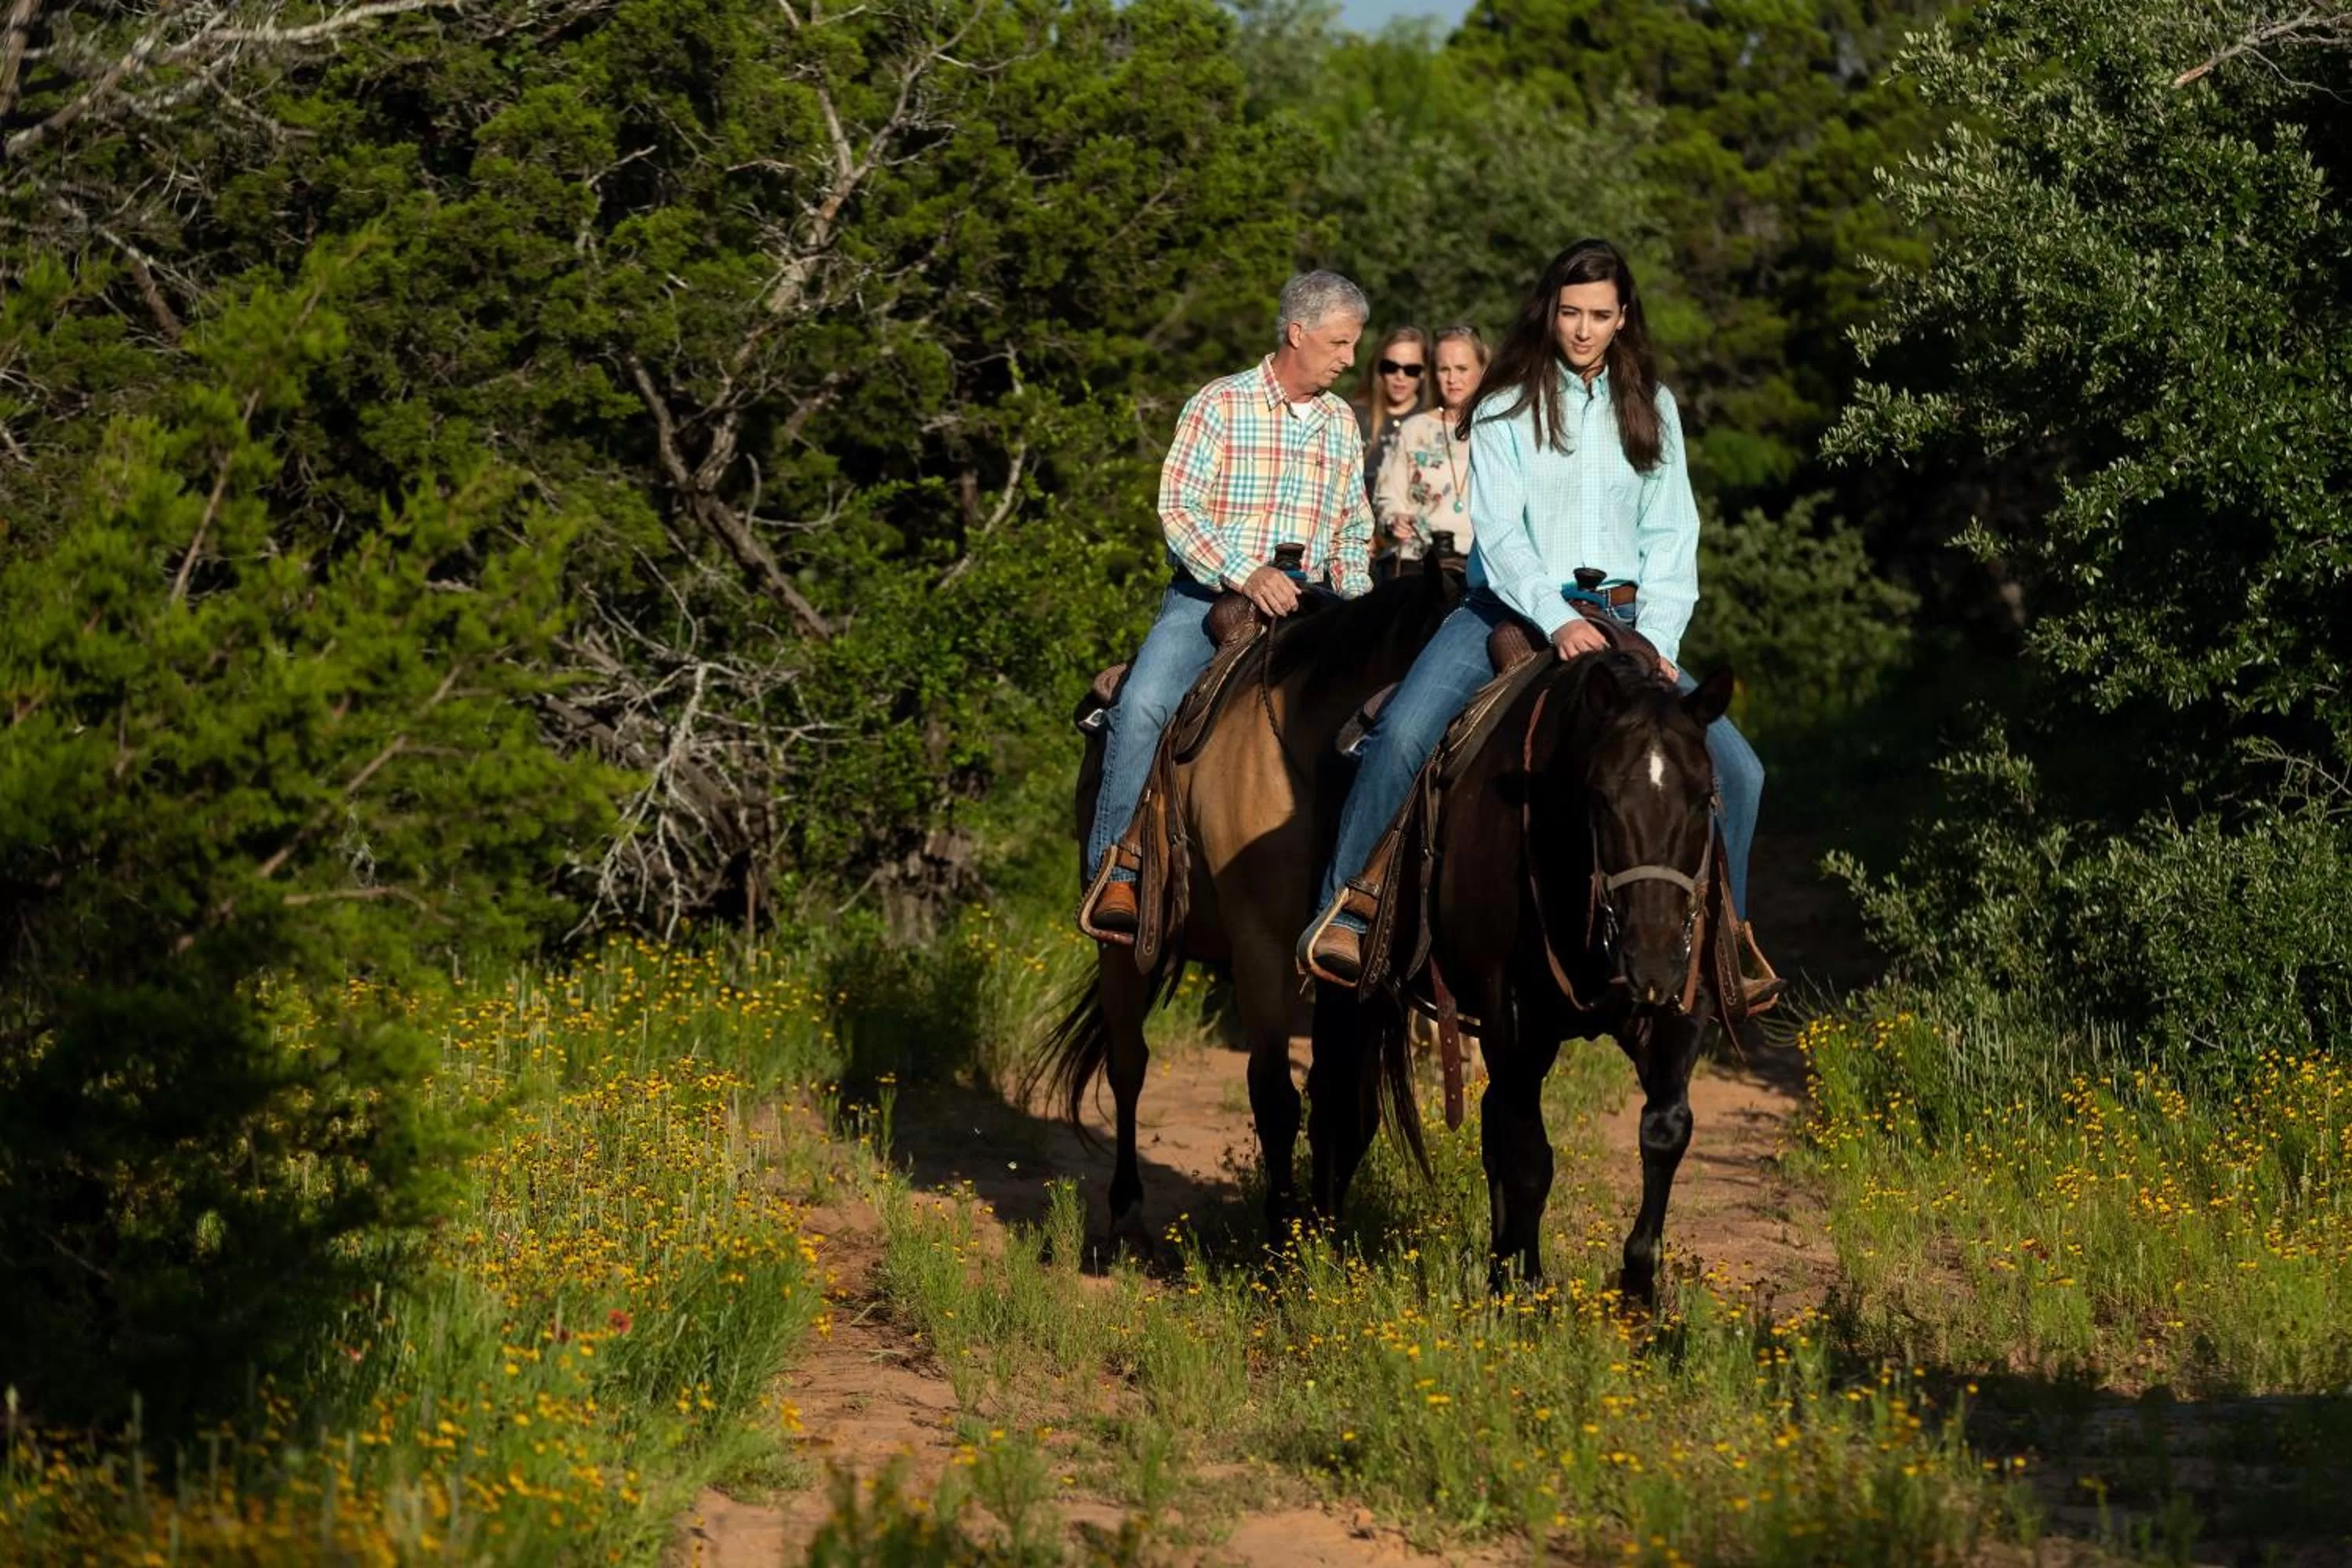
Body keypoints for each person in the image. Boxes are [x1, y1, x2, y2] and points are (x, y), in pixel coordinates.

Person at [1301, 240, 1771, 1000]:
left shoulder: (1653, 406)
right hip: (1508, 608)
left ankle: (1726, 943)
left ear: (1623, 318)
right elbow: (1505, 534)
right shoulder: (1505, 402)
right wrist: (1554, 618)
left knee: (1741, 771)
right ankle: (1348, 908)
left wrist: (1658, 640)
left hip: (1627, 620)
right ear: (1549, 312)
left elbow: (1672, 537)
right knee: (1402, 735)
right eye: (1570, 313)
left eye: (1598, 315)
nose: (1582, 330)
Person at [1084, 270, 1379, 937]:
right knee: (1147, 703)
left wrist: (1360, 608)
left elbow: (1356, 529)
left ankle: (1362, 892)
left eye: (1353, 345)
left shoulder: (1339, 422)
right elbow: (1179, 510)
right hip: (1208, 595)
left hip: (1318, 605)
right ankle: (1120, 870)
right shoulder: (1219, 404)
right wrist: (1247, 575)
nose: (1349, 359)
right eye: (1339, 343)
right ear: (1297, 333)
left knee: (1379, 710)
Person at [1375, 324, 1487, 563]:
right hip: (1418, 560)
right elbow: (1388, 496)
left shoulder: (1498, 430)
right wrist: (1395, 519)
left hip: (1481, 564)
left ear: (1482, 370)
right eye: (1444, 369)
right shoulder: (1414, 430)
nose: (1452, 379)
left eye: (1462, 369)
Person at [1355, 326, 1430, 512]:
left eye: (1411, 369)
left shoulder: (1432, 424)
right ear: (1379, 369)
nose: (1400, 377)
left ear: (1424, 373)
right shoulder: (1352, 417)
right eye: (1391, 367)